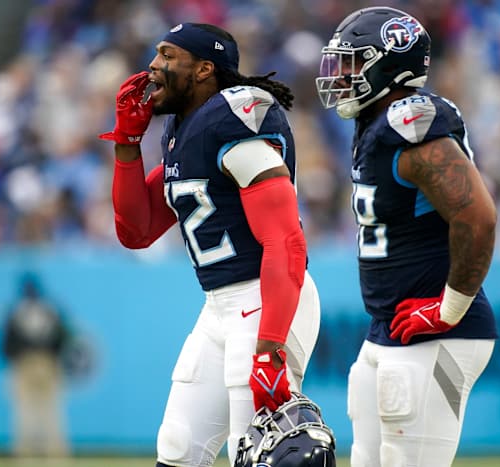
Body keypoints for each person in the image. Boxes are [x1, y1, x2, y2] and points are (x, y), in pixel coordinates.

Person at [99, 22, 321, 467]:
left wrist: (270, 346)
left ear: (203, 69)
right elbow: (136, 231)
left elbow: (286, 240)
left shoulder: (234, 116)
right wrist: (126, 144)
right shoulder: (186, 132)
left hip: (265, 296)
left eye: (167, 55)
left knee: (256, 452)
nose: (153, 66)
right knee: (179, 447)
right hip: (219, 307)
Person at [315, 7, 498, 467]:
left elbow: (477, 217)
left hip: (435, 329)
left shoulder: (411, 125)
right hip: (392, 327)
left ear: (389, 65)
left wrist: (447, 309)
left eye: (355, 63)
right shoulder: (375, 126)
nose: (343, 75)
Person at [0, 273, 69, 457]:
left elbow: (6, 343)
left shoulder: (16, 311)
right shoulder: (49, 309)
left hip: (28, 362)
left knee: (27, 411)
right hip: (44, 361)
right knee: (47, 411)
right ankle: (52, 452)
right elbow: (63, 337)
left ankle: (26, 452)